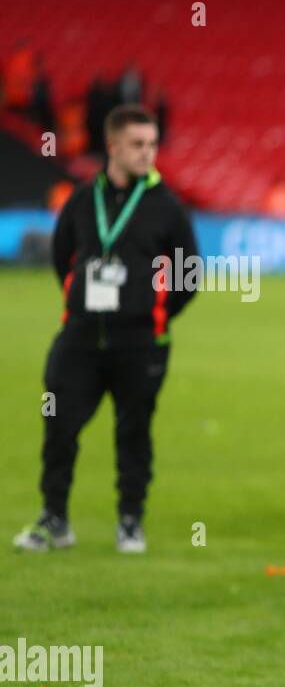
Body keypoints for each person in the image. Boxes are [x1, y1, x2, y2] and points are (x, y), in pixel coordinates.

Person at [14, 104, 198, 554]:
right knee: (58, 423)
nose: (147, 153)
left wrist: (152, 312)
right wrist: (83, 304)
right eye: (137, 144)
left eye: (152, 144)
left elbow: (189, 274)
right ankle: (54, 518)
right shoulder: (81, 199)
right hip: (79, 337)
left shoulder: (167, 206)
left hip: (141, 342)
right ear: (112, 146)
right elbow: (62, 258)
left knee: (133, 432)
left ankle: (130, 520)